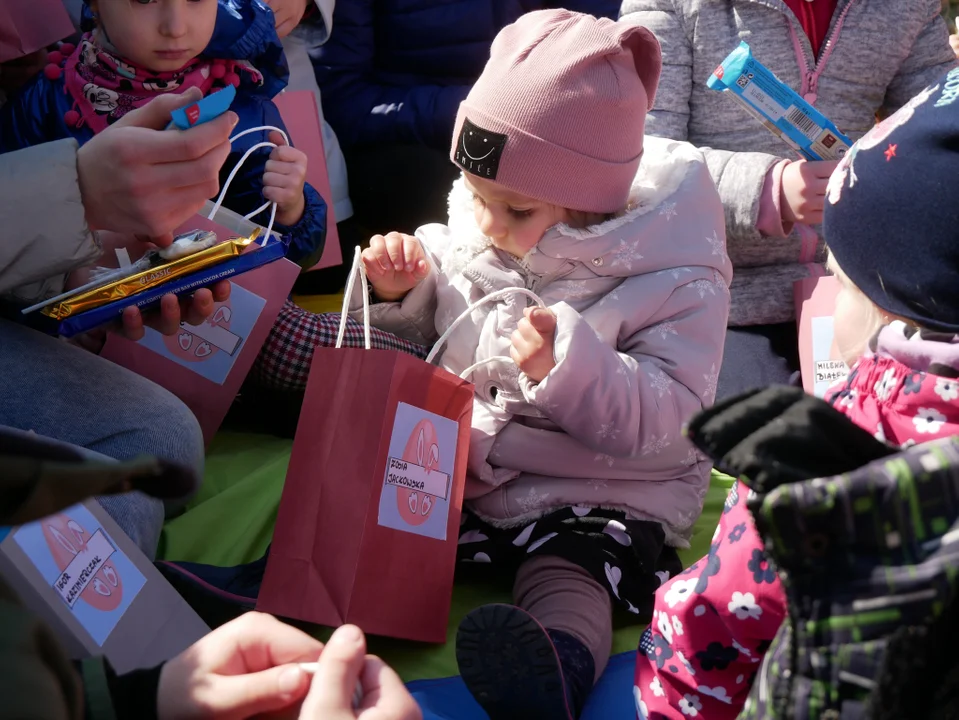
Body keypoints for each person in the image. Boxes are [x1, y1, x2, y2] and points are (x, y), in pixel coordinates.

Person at [341, 11, 730, 719]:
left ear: (589, 206)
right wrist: (405, 288)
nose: (487, 225)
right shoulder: (486, 219)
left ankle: (554, 663)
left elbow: (675, 418)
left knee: (573, 564)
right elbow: (447, 303)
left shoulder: (674, 276)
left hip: (603, 490)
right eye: (475, 195)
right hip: (473, 472)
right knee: (376, 518)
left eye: (514, 209)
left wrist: (573, 368)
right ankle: (293, 597)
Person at [634, 71, 959, 719]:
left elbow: (710, 623)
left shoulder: (820, 458)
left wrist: (663, 699)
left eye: (836, 275)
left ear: (891, 306)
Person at [619, 0, 957, 400]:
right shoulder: (672, 6)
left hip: (865, 294)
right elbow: (637, 158)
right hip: (715, 298)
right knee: (766, 433)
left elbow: (940, 123)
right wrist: (765, 189)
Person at [0, 2, 238, 558]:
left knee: (165, 447)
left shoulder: (237, 84)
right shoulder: (47, 95)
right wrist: (76, 196)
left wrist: (80, 272)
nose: (176, 26)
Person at [0, 0, 327, 269]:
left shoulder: (242, 108)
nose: (175, 27)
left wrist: (291, 209)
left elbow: (286, 261)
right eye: (144, 0)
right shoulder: (43, 102)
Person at [311, 0, 621, 238]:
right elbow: (342, 99)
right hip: (407, 140)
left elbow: (599, 47)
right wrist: (471, 111)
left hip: (536, 119)